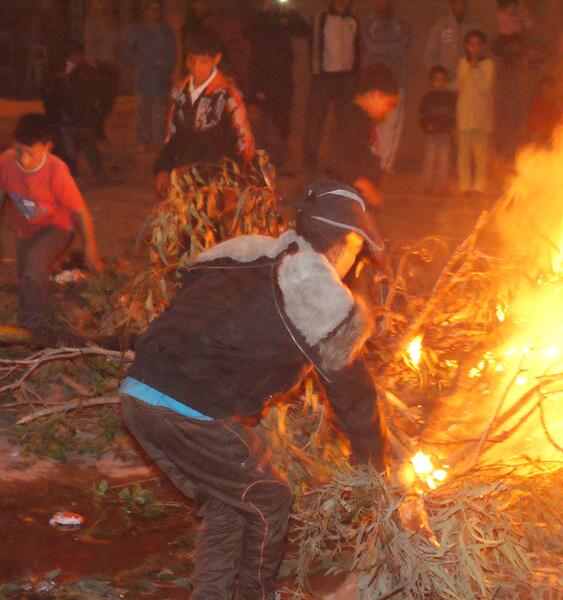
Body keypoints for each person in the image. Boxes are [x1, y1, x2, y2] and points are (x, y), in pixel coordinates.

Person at [119, 179, 387, 600]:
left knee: (228, 503)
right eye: (358, 248)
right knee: (269, 496)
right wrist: (376, 468)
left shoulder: (245, 249)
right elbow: (354, 398)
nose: (357, 260)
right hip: (189, 409)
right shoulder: (318, 289)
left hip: (138, 394)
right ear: (347, 238)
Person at [0, 114, 103, 330]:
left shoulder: (56, 170)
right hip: (26, 230)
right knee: (28, 277)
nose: (23, 159)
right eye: (19, 150)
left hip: (57, 226)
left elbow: (81, 212)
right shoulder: (6, 162)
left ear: (48, 147)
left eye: (31, 153)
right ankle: (48, 312)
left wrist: (89, 248)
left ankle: (33, 330)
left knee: (33, 265)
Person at [153, 27, 255, 197]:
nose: (196, 69)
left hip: (217, 184)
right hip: (183, 179)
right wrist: (163, 168)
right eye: (191, 61)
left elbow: (244, 142)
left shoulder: (228, 95)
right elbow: (172, 135)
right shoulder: (179, 92)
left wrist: (237, 183)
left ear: (216, 59)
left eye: (203, 62)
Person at [245, 0, 311, 166]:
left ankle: (279, 163)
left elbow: (304, 30)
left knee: (282, 121)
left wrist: (291, 11)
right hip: (261, 77)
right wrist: (264, 10)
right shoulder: (259, 14)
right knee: (259, 121)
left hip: (283, 78)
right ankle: (257, 163)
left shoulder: (286, 14)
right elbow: (248, 33)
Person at [325, 63, 399, 207]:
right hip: (345, 203)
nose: (389, 111)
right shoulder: (352, 119)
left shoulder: (364, 120)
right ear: (375, 94)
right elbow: (336, 159)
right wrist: (363, 183)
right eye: (389, 104)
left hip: (358, 202)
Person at [302, 0, 360, 169]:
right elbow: (313, 44)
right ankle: (310, 157)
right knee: (316, 118)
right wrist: (316, 71)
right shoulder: (321, 17)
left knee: (343, 120)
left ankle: (337, 160)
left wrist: (355, 72)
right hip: (324, 76)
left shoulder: (353, 21)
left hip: (346, 77)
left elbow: (356, 48)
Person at [361, 0, 411, 174]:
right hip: (373, 80)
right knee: (372, 124)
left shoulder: (402, 24)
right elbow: (368, 46)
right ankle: (372, 161)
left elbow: (402, 46)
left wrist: (381, 49)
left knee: (392, 125)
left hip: (396, 79)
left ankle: (385, 165)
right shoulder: (368, 23)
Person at [41, 41, 104, 178]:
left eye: (74, 54)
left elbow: (87, 95)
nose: (71, 56)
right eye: (70, 54)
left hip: (81, 116)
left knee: (86, 143)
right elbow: (51, 93)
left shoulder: (86, 72)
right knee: (68, 147)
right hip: (66, 116)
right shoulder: (60, 70)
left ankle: (96, 171)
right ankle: (71, 171)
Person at [123, 0, 177, 148]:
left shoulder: (166, 31)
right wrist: (140, 61)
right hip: (144, 77)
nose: (154, 13)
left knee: (160, 111)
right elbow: (127, 51)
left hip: (161, 78)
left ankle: (159, 141)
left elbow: (173, 53)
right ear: (146, 11)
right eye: (151, 9)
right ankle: (143, 140)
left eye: (157, 9)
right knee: (143, 110)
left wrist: (167, 66)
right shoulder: (138, 30)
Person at [456, 29, 494, 196]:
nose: (474, 48)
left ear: (483, 46)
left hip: (482, 116)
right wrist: (469, 67)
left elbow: (485, 88)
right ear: (466, 46)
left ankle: (479, 186)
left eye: (478, 44)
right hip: (464, 115)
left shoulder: (488, 64)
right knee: (463, 155)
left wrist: (475, 68)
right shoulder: (462, 63)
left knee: (480, 155)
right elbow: (460, 85)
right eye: (471, 44)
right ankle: (465, 186)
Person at [492, 0, 528, 162]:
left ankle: (513, 155)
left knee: (516, 116)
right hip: (503, 85)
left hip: (517, 85)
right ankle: (501, 156)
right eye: (509, 6)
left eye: (514, 6)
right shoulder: (498, 25)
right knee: (505, 116)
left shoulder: (520, 22)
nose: (512, 9)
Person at [83, 0, 120, 141]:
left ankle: (98, 127)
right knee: (99, 99)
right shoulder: (91, 22)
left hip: (111, 64)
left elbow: (116, 43)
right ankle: (96, 129)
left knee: (109, 100)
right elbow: (89, 43)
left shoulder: (111, 21)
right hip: (98, 64)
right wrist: (93, 64)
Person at [418, 65, 456, 195]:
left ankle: (443, 187)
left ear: (446, 81)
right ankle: (426, 186)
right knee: (429, 161)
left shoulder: (450, 98)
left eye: (442, 80)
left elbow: (453, 115)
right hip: (431, 135)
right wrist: (426, 126)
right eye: (436, 80)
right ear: (431, 82)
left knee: (444, 162)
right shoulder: (427, 98)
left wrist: (452, 127)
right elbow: (422, 116)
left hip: (445, 134)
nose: (439, 83)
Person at [423, 0, 476, 82]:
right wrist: (437, 76)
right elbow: (428, 55)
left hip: (466, 80)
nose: (460, 7)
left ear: (466, 5)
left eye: (462, 3)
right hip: (446, 80)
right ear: (452, 5)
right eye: (457, 3)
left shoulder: (472, 26)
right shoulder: (441, 26)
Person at [527, 74, 563, 149]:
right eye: (544, 89)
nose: (547, 92)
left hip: (556, 139)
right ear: (540, 91)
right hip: (541, 140)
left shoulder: (557, 105)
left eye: (549, 89)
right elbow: (535, 128)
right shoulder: (536, 105)